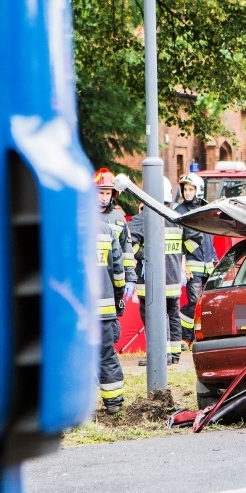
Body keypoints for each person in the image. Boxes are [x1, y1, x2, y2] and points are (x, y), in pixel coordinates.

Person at [127, 176, 184, 365]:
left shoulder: (144, 218)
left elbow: (127, 243)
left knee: (154, 316)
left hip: (151, 280)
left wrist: (143, 254)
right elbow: (191, 242)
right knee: (172, 314)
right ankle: (174, 354)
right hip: (173, 277)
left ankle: (160, 356)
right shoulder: (177, 218)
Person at [94, 168, 137, 346]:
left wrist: (130, 278)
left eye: (107, 193)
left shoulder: (118, 219)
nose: (104, 197)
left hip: (113, 280)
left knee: (110, 326)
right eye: (101, 193)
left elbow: (126, 250)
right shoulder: (84, 215)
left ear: (113, 194)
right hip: (93, 277)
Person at [174, 173, 217, 350]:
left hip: (209, 266)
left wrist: (214, 260)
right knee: (194, 301)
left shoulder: (206, 209)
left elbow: (210, 239)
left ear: (198, 190)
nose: (187, 192)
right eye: (185, 189)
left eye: (191, 189)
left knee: (207, 303)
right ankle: (184, 338)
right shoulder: (179, 211)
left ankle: (200, 338)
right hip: (192, 267)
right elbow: (178, 242)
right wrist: (183, 266)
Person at [96, 220, 126, 414]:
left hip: (73, 312)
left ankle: (74, 409)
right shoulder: (106, 229)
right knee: (107, 355)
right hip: (104, 308)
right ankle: (114, 402)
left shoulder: (59, 226)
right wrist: (118, 298)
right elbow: (118, 272)